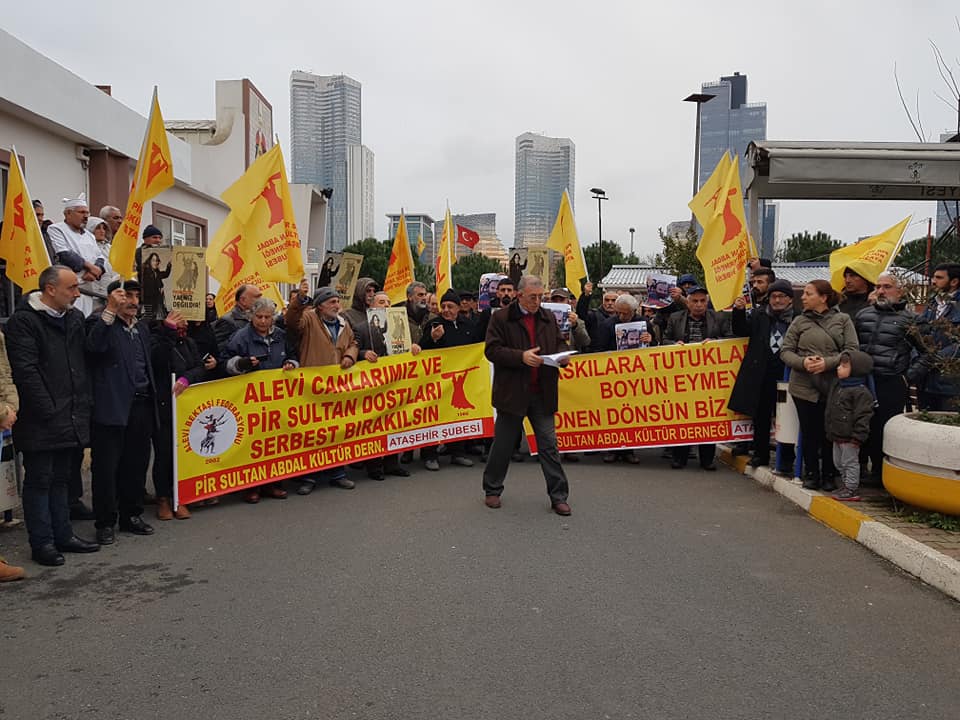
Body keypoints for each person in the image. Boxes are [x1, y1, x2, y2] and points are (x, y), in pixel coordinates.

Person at [5, 266, 100, 566]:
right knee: (39, 480)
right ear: (50, 289)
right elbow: (26, 370)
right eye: (72, 288)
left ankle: (64, 534)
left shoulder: (73, 318)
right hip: (41, 416)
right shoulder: (24, 322)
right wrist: (47, 407)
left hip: (70, 413)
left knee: (62, 478)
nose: (77, 293)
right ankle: (42, 542)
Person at [483, 276, 572, 515]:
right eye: (533, 297)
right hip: (512, 393)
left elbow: (559, 342)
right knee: (502, 445)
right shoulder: (501, 318)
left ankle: (558, 496)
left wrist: (563, 356)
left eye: (540, 296)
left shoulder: (547, 317)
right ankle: (492, 490)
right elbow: (492, 350)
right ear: (519, 295)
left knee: (549, 446)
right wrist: (520, 357)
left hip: (541, 392)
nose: (537, 301)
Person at [86, 280, 164, 544]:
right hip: (111, 407)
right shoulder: (100, 323)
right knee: (107, 468)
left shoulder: (141, 328)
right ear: (112, 299)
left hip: (140, 406)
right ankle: (105, 521)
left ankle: (131, 515)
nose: (132, 301)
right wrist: (108, 312)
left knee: (136, 464)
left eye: (136, 297)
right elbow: (93, 348)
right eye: (126, 296)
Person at [780, 280, 859, 491]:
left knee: (830, 433)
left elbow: (852, 349)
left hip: (833, 385)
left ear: (823, 297)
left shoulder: (843, 320)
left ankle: (829, 475)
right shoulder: (799, 321)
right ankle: (811, 473)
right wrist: (803, 363)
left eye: (808, 293)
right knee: (809, 431)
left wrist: (828, 363)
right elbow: (786, 350)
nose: (803, 297)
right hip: (803, 386)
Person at [284, 287, 360, 492]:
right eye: (332, 302)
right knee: (313, 432)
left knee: (336, 429)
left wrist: (350, 356)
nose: (337, 305)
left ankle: (338, 473)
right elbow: (291, 321)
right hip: (313, 388)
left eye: (337, 301)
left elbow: (353, 342)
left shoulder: (343, 322)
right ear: (320, 306)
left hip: (337, 387)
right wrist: (299, 300)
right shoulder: (308, 319)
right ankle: (309, 477)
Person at [223, 298, 298, 502]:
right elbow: (226, 363)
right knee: (253, 445)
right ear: (251, 316)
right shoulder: (241, 337)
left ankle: (273, 484)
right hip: (251, 401)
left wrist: (291, 363)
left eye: (267, 317)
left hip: (277, 399)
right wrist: (242, 363)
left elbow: (293, 355)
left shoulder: (281, 336)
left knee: (275, 442)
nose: (263, 321)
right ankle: (251, 487)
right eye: (259, 317)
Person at [151, 310, 220, 520]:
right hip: (163, 406)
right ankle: (163, 498)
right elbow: (156, 362)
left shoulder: (189, 343)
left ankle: (180, 496)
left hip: (185, 408)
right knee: (164, 453)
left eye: (185, 324)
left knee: (183, 453)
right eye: (178, 323)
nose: (183, 327)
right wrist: (168, 333)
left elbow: (199, 367)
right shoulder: (157, 339)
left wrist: (186, 379)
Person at [854, 272, 920, 484]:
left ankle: (880, 473)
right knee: (861, 424)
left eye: (887, 287)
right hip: (863, 380)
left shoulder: (911, 320)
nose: (881, 291)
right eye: (879, 286)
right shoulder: (863, 315)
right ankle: (859, 468)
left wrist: (907, 376)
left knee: (884, 427)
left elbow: (927, 353)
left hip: (890, 381)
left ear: (899, 291)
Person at [663, 286, 732, 470]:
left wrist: (716, 344)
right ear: (688, 302)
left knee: (707, 416)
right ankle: (679, 457)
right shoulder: (675, 318)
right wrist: (674, 345)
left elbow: (730, 340)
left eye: (702, 301)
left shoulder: (719, 317)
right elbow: (664, 340)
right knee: (682, 416)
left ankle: (707, 459)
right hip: (681, 378)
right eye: (695, 301)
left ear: (707, 302)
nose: (699, 305)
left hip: (709, 378)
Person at [729, 279, 796, 469]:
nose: (777, 300)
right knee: (761, 417)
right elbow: (740, 329)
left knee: (786, 418)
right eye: (773, 296)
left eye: (781, 296)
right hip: (762, 375)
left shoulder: (797, 319)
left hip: (786, 376)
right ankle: (761, 454)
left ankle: (787, 458)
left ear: (790, 299)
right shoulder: (760, 315)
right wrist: (739, 311)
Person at [420, 289, 480, 470]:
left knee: (459, 414)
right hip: (438, 380)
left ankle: (458, 452)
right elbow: (422, 349)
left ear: (458, 308)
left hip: (461, 379)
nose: (446, 310)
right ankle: (429, 454)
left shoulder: (468, 325)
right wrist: (432, 339)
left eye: (450, 306)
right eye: (443, 306)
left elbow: (477, 347)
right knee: (434, 416)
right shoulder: (433, 324)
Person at [825, 351, 876, 501]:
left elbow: (863, 416)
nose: (839, 368)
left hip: (850, 437)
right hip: (837, 434)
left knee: (850, 462)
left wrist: (858, 436)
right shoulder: (838, 386)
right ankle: (845, 484)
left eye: (844, 366)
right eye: (840, 365)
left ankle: (851, 488)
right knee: (839, 462)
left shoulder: (861, 392)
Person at [46, 195, 107, 317]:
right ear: (68, 213)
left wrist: (96, 271)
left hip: (88, 287)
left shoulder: (89, 235)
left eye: (87, 213)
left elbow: (100, 257)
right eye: (81, 212)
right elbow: (64, 254)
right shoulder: (56, 229)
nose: (85, 216)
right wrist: (91, 267)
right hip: (68, 289)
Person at [911, 263, 960, 412]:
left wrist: (932, 359)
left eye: (939, 278)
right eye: (933, 277)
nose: (933, 281)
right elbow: (919, 332)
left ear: (954, 281)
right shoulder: (932, 304)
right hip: (925, 380)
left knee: (945, 427)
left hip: (949, 382)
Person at [213, 284, 262, 351]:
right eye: (257, 297)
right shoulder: (227, 321)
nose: (261, 300)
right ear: (243, 300)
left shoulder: (256, 319)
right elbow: (218, 349)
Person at [576, 281, 620, 353]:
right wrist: (586, 295)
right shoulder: (594, 315)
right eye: (607, 300)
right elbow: (581, 313)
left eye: (613, 300)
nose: (610, 303)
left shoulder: (622, 318)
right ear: (603, 301)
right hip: (597, 354)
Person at [140, 251, 172, 321]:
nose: (155, 262)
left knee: (158, 318)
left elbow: (165, 274)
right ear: (149, 261)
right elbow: (149, 288)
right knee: (151, 318)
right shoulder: (147, 272)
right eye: (153, 260)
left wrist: (169, 265)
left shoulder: (156, 272)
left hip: (158, 299)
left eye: (156, 261)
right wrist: (159, 288)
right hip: (151, 300)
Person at [403, 281, 431, 345]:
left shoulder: (432, 318)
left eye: (425, 294)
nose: (424, 298)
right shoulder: (400, 318)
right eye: (420, 295)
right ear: (410, 297)